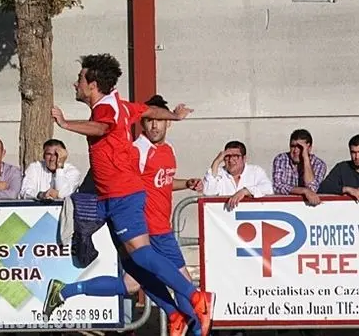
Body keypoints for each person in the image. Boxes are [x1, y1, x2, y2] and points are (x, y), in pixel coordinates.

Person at [43, 54, 214, 336]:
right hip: (111, 199)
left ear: (92, 84)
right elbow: (148, 110)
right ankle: (175, 313)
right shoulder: (120, 105)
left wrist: (65, 123)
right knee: (134, 269)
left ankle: (196, 298)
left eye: (80, 79)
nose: (76, 83)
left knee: (142, 257)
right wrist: (173, 115)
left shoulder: (106, 110)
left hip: (123, 195)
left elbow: (102, 127)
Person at [121, 95, 204, 336]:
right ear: (142, 123)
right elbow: (125, 184)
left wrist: (186, 183)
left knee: (133, 283)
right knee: (183, 283)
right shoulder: (138, 149)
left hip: (159, 226)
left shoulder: (168, 150)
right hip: (150, 229)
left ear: (169, 122)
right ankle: (194, 329)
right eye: (149, 120)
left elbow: (162, 183)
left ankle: (176, 321)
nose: (154, 125)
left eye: (158, 120)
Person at [202, 141, 273, 211]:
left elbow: (268, 188)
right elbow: (208, 193)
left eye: (235, 156)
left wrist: (245, 191)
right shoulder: (218, 172)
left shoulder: (255, 171)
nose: (230, 160)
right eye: (227, 156)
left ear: (244, 158)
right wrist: (216, 162)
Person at [271, 129, 326, 206]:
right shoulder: (281, 159)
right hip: (285, 206)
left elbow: (312, 187)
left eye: (300, 147)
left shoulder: (319, 164)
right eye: (293, 146)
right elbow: (277, 186)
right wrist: (304, 191)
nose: (295, 151)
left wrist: (305, 157)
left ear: (309, 148)